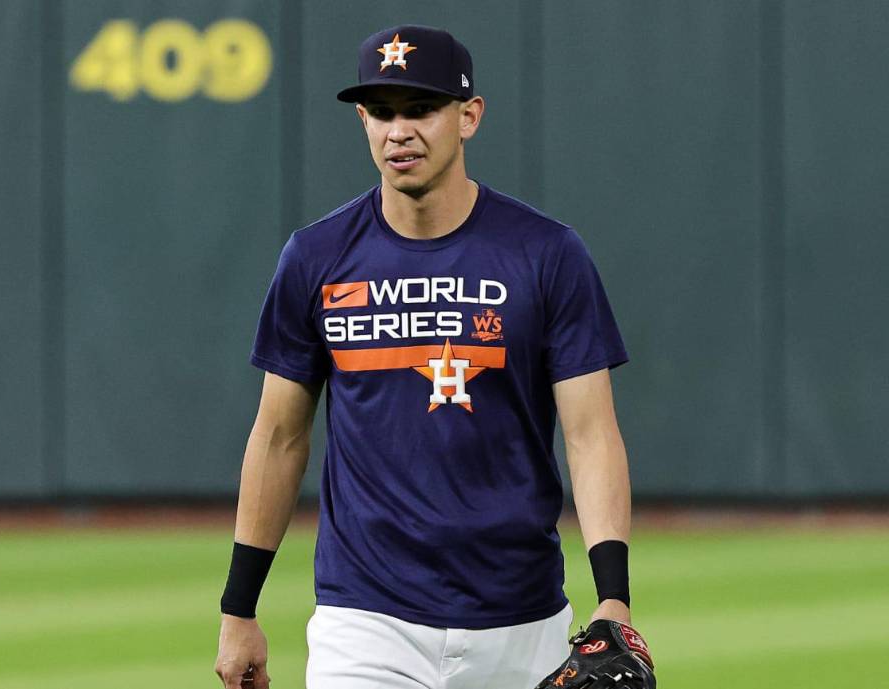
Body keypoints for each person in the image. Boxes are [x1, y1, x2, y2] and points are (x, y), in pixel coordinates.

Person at [214, 25, 654, 689]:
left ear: (468, 116)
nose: (399, 131)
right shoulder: (316, 257)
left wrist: (613, 596)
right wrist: (238, 606)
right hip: (365, 621)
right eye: (382, 112)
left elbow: (591, 434)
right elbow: (279, 436)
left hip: (523, 620)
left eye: (421, 109)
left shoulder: (546, 254)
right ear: (363, 120)